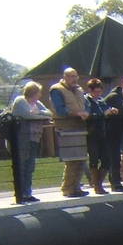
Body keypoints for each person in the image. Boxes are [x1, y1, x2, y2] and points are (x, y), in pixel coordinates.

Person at [48, 67, 90, 198]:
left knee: (81, 159)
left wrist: (86, 112)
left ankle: (76, 187)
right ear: (64, 77)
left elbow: (86, 104)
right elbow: (60, 110)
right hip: (65, 127)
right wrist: (77, 113)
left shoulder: (79, 90)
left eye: (76, 76)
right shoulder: (57, 90)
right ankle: (67, 188)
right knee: (71, 159)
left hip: (80, 127)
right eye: (71, 76)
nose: (74, 79)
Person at [10, 81, 51, 203]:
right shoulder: (20, 101)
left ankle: (28, 193)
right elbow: (27, 115)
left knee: (30, 166)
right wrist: (40, 115)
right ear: (33, 92)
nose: (40, 95)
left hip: (34, 138)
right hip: (22, 138)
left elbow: (49, 113)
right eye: (38, 92)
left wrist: (39, 113)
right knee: (21, 165)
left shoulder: (37, 103)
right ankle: (20, 193)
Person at [83, 78, 115, 194]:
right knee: (94, 159)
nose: (98, 94)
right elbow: (88, 116)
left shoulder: (101, 101)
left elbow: (106, 112)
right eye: (96, 91)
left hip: (103, 133)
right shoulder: (86, 100)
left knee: (106, 160)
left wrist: (111, 112)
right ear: (90, 90)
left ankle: (98, 183)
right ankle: (97, 186)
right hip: (92, 134)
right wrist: (102, 114)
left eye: (100, 91)